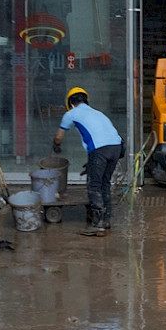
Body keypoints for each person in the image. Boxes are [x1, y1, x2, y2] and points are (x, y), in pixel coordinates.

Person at [52, 87, 123, 237]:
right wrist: (93, 163)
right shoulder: (98, 113)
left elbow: (59, 137)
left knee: (94, 185)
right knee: (104, 183)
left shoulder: (70, 114)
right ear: (86, 100)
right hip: (116, 148)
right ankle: (106, 221)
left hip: (100, 150)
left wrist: (56, 145)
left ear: (70, 104)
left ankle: (97, 225)